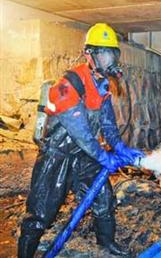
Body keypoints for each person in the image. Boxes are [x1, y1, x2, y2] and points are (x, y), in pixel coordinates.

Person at [18, 23, 144, 257]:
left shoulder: (103, 86)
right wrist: (104, 156)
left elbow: (107, 124)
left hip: (83, 155)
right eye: (105, 54)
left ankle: (106, 244)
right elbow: (82, 134)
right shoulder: (70, 84)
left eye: (113, 54)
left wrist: (120, 147)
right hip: (57, 155)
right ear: (90, 55)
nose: (110, 60)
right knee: (40, 212)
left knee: (104, 198)